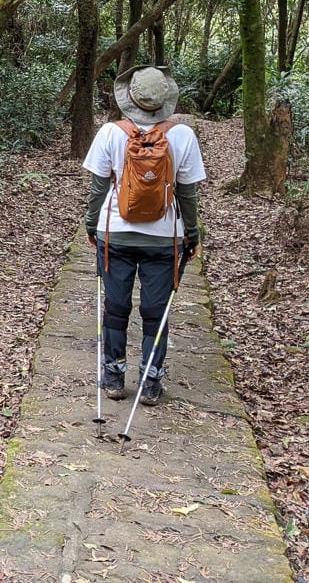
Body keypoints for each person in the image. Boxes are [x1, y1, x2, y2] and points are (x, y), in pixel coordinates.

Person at [82, 65, 206, 406]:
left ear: (130, 98)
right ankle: (151, 380)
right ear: (166, 99)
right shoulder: (182, 135)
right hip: (165, 238)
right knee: (156, 309)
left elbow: (97, 188)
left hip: (115, 234)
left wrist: (92, 225)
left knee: (116, 306)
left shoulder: (110, 132)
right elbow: (188, 193)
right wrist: (191, 235)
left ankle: (113, 375)